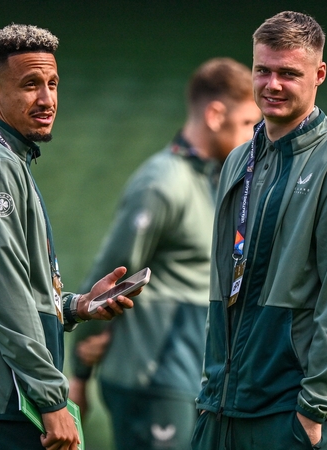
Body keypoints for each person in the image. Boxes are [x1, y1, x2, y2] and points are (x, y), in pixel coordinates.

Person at [0, 24, 135, 450]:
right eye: (30, 85)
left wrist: (76, 306)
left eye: (53, 83)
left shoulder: (5, 158)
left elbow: (16, 287)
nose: (47, 99)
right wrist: (51, 398)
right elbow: (5, 295)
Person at [191, 11, 327, 450]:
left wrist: (315, 409)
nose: (272, 84)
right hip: (222, 404)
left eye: (288, 74)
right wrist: (212, 387)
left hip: (292, 411)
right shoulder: (239, 160)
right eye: (263, 70)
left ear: (319, 75)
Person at [68, 58, 260, 450]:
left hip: (193, 380)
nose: (253, 137)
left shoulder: (216, 181)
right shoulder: (162, 183)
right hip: (154, 380)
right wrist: (80, 369)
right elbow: (111, 274)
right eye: (246, 124)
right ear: (214, 114)